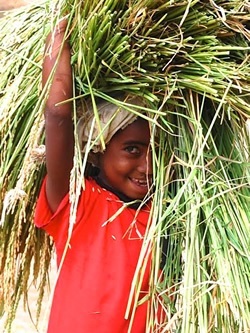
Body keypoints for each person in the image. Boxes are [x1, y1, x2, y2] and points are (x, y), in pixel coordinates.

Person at [35, 19, 155, 333]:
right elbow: (59, 113)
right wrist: (61, 24)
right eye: (132, 149)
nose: (148, 166)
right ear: (98, 148)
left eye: (157, 152)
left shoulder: (166, 215)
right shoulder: (80, 206)